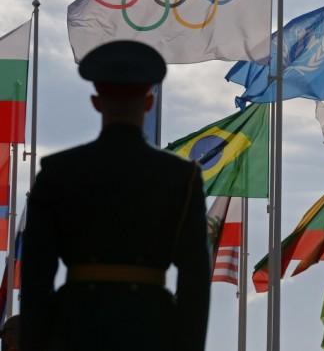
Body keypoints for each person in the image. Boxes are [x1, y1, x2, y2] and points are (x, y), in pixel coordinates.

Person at [19, 41, 211, 351]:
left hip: (77, 330)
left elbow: (36, 277)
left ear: (96, 101)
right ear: (148, 102)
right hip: (151, 331)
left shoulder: (58, 172)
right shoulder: (181, 178)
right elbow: (195, 280)